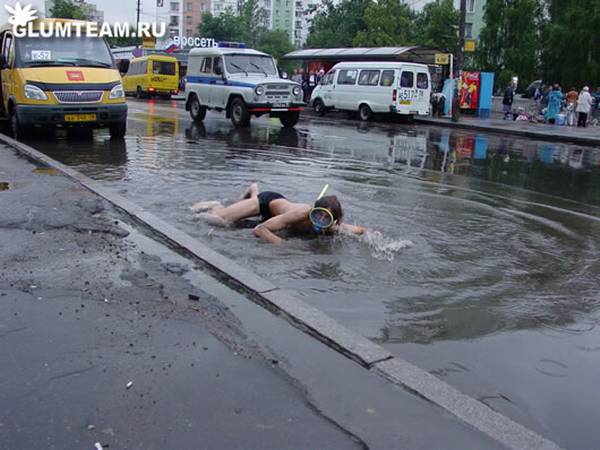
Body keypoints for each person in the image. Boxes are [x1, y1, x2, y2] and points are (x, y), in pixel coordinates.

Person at [191, 183, 367, 245]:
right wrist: (282, 246)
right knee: (221, 220)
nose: (320, 221)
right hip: (266, 203)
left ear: (333, 221)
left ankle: (252, 190)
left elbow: (359, 230)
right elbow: (260, 229)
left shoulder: (329, 227)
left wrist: (373, 238)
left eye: (326, 219)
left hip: (276, 216)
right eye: (318, 214)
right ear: (313, 210)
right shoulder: (301, 214)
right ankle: (217, 204)